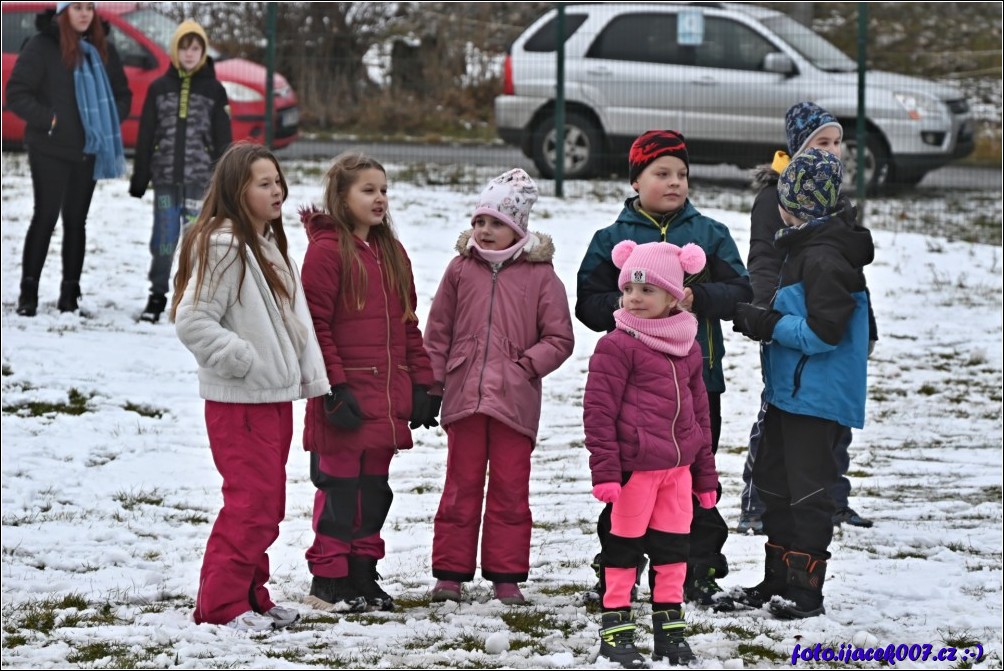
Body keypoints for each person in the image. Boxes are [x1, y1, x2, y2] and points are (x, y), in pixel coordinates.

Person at [575, 130, 751, 611]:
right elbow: (587, 303)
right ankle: (618, 570)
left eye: (682, 174)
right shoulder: (611, 240)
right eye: (662, 173)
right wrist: (629, 304)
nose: (675, 182)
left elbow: (742, 290)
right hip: (634, 392)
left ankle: (698, 570)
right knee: (630, 487)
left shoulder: (710, 234)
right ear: (636, 181)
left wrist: (697, 296)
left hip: (696, 382)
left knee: (695, 479)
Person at [172, 141, 330, 632]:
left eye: (277, 180)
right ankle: (221, 607)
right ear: (237, 191)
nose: (277, 190)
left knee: (267, 503)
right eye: (264, 183)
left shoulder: (263, 243)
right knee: (251, 503)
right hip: (240, 400)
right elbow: (193, 320)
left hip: (270, 398)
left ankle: (250, 595)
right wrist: (242, 360)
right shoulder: (225, 245)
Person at [731, 148, 874, 618]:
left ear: (792, 205)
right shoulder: (801, 247)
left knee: (810, 492)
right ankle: (777, 579)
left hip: (817, 399)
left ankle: (805, 590)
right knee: (773, 482)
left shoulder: (825, 257)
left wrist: (767, 324)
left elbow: (824, 332)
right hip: (790, 394)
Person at [423, 169, 574, 606]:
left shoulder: (541, 276)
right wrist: (432, 385)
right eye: (479, 221)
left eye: (496, 223)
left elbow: (559, 337)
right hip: (465, 397)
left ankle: (506, 576)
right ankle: (450, 574)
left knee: (510, 490)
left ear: (518, 228)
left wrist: (527, 365)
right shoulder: (459, 270)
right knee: (460, 487)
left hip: (514, 401)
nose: (485, 231)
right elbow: (438, 331)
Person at [299, 152, 436, 613]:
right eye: (368, 190)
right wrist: (333, 387)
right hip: (345, 397)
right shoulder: (326, 252)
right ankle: (329, 577)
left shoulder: (392, 252)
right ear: (342, 197)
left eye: (384, 190)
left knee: (374, 491)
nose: (380, 199)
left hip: (386, 397)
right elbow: (315, 326)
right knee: (339, 489)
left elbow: (408, 324)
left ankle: (361, 571)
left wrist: (423, 384)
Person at [584, 240, 718, 668]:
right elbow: (599, 413)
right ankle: (616, 630)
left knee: (673, 551)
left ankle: (670, 631)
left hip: (677, 473)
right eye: (628, 290)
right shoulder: (617, 345)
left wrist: (705, 475)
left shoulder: (688, 347)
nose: (634, 298)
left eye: (647, 290)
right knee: (622, 550)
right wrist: (606, 471)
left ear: (673, 297)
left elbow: (699, 415)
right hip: (636, 472)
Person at [5, 1, 131, 316]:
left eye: (89, 7)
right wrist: (50, 120)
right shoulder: (42, 46)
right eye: (77, 7)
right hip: (49, 148)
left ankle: (69, 294)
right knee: (45, 217)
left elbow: (122, 95)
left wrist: (107, 120)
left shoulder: (103, 49)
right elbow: (17, 93)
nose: (84, 13)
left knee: (76, 222)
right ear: (63, 12)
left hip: (88, 150)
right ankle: (28, 294)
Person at [129, 19, 232, 323]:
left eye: (196, 48)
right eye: (184, 48)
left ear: (203, 52)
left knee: (195, 240)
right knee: (163, 240)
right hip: (165, 180)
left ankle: (191, 297)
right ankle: (157, 295)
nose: (189, 53)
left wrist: (225, 180)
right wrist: (140, 176)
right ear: (175, 51)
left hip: (199, 182)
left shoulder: (215, 90)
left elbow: (223, 140)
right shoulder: (158, 88)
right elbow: (146, 134)